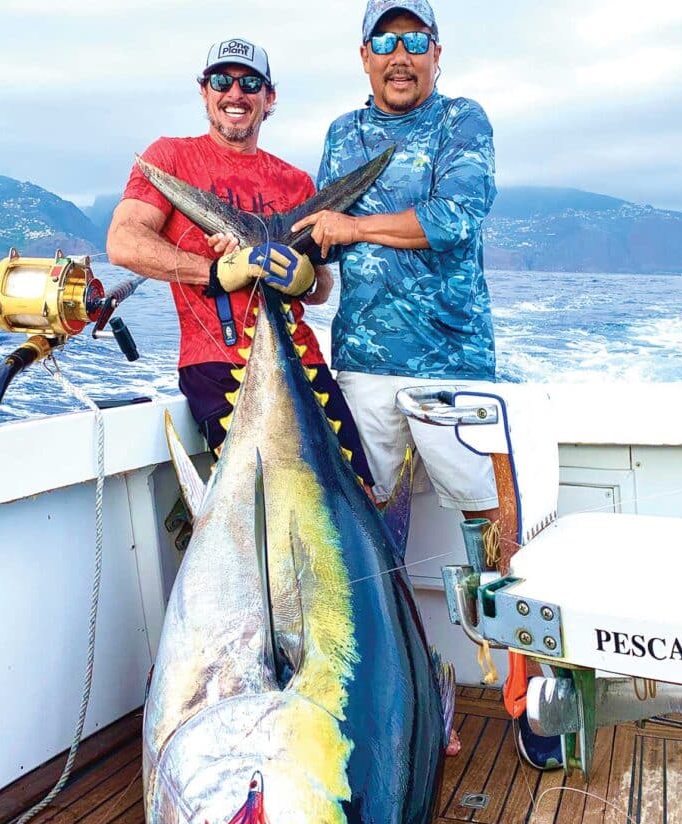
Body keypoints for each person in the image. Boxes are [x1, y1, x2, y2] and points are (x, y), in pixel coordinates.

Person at [294, 1, 562, 769]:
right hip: (362, 365)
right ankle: (377, 703)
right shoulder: (342, 136)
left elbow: (455, 216)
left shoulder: (462, 120)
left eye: (415, 41)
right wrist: (297, 270)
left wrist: (350, 228)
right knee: (366, 534)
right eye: (386, 41)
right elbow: (320, 237)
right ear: (364, 54)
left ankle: (528, 700)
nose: (400, 55)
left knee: (494, 530)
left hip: (453, 368)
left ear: (436, 55)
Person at [106, 37, 374, 490]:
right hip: (217, 365)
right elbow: (124, 242)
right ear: (204, 90)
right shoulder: (171, 157)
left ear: (269, 98)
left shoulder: (295, 181)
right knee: (271, 503)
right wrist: (216, 271)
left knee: (359, 494)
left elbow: (323, 286)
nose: (236, 93)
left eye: (250, 83)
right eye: (222, 81)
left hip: (303, 362)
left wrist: (305, 279)